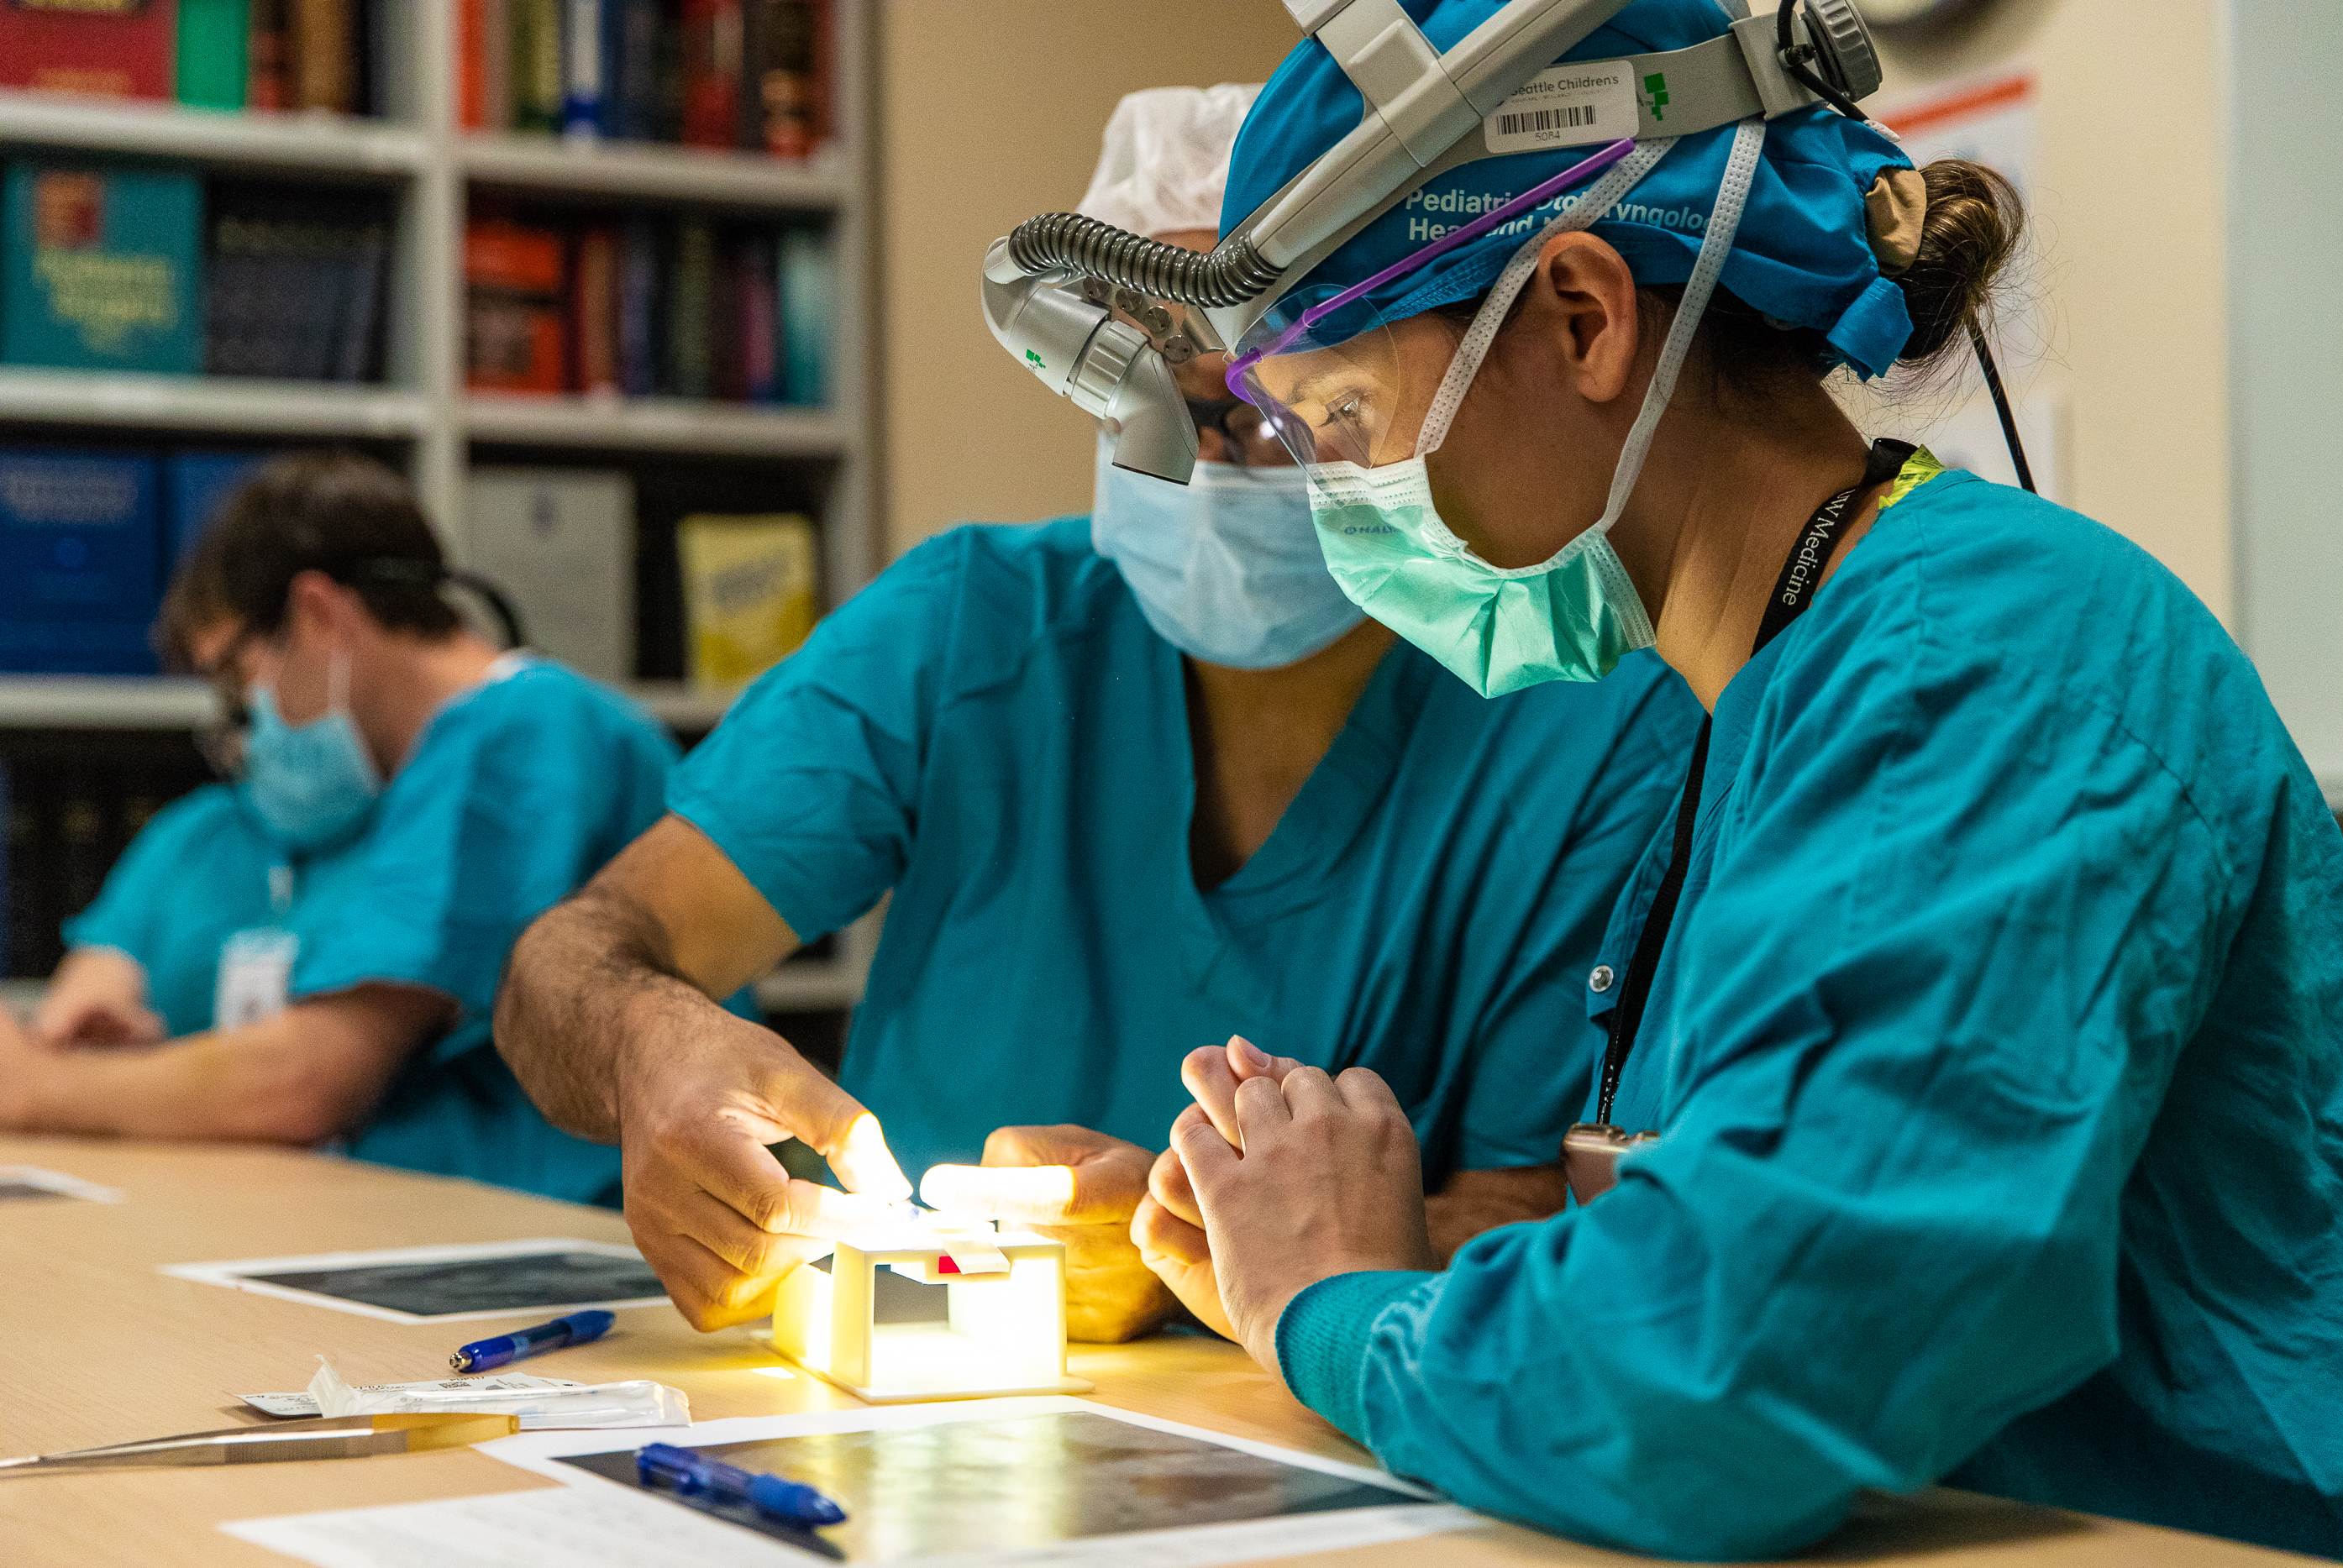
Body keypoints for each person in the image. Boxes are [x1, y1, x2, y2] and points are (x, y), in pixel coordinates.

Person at [1113, 1, 2343, 1560]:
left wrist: (1339, 1306)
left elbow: (1735, 1367)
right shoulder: (1767, 692)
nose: (1336, 505)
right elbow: (1724, 1233)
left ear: (1579, 316)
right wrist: (1352, 1244)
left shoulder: (1992, 664)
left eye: (1347, 422)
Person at [494, 86, 1701, 1339]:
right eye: (1156, 400)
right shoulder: (972, 627)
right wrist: (651, 1043)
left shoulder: (1578, 719)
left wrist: (1180, 1234)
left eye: (1277, 405)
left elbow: (1532, 1221)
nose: (1217, 457)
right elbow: (567, 961)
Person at [0, 452, 680, 1208]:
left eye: (239, 677)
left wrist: (38, 1087)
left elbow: (306, 1080)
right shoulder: (442, 769)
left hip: (564, 1234)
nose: (244, 722)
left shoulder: (519, 736)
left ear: (320, 614)